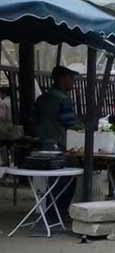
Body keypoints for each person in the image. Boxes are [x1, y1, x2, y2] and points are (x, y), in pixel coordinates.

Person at [34, 66, 79, 223]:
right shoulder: (63, 99)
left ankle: (53, 214)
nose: (73, 82)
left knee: (52, 181)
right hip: (58, 145)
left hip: (41, 145)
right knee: (66, 180)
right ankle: (56, 215)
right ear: (62, 79)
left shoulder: (42, 99)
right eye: (71, 78)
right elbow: (71, 123)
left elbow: (34, 121)